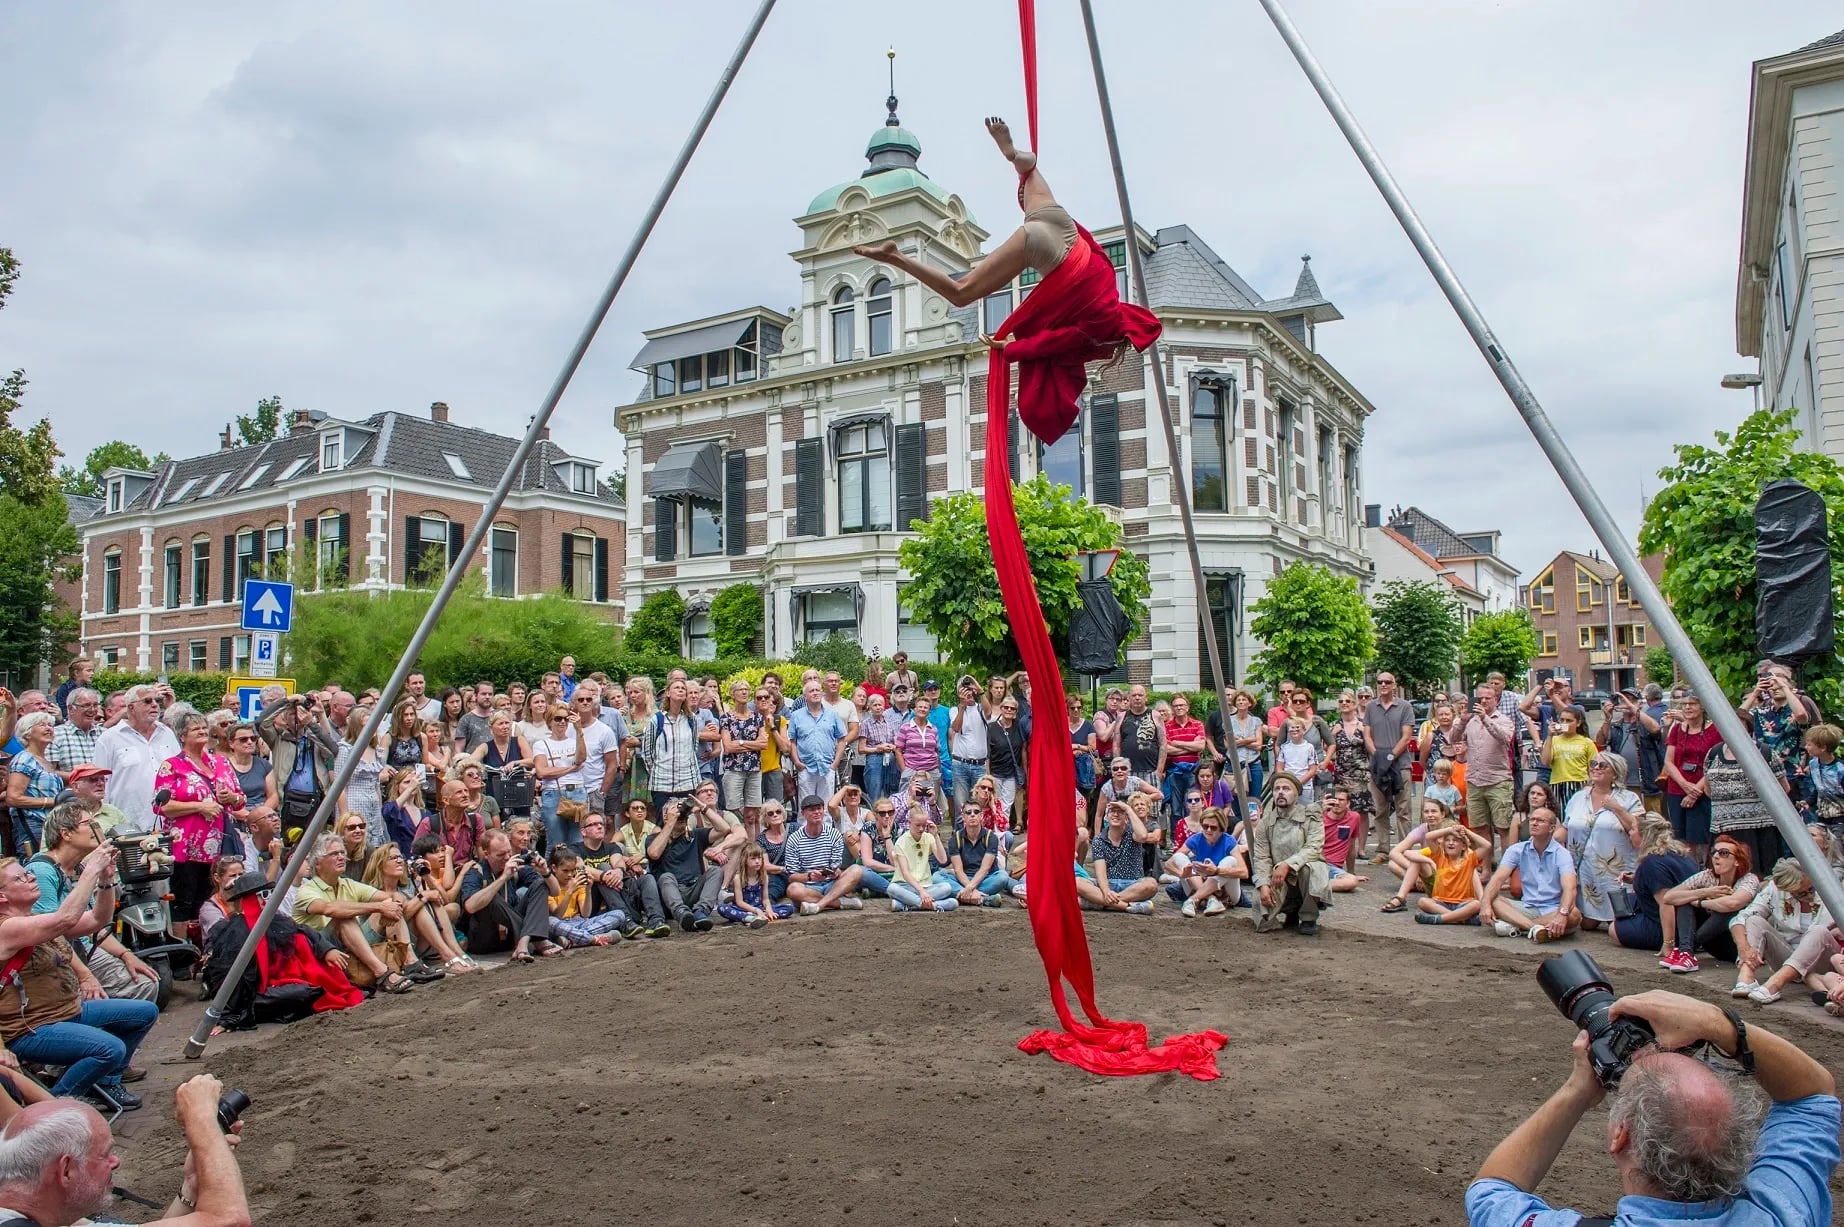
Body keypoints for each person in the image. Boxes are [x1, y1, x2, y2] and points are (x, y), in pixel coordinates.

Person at [855, 115, 1157, 444]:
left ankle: (1014, 157)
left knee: (1030, 170)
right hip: (1048, 250)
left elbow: (1095, 249)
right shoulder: (1103, 328)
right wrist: (1014, 348)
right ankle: (897, 258)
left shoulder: (1111, 288)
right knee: (961, 292)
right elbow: (1058, 340)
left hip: (1062, 224)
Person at [1469, 988, 1838, 1227]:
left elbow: (1491, 1192)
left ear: (1620, 1136)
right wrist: (1717, 1023)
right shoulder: (1784, 1208)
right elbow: (1811, 1096)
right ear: (1741, 1142)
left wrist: (1576, 1091)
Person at [0, 847, 162, 1110]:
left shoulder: (34, 919)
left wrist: (105, 881)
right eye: (20, 877)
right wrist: (91, 869)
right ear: (2, 896)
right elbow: (65, 918)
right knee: (109, 1048)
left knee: (144, 1013)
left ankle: (106, 1084)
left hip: (67, 1012)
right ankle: (57, 1105)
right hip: (30, 1029)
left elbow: (97, 919)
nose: (31, 877)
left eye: (28, 873)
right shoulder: (7, 928)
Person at [0, 1073, 252, 1227]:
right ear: (65, 1170)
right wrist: (201, 1119)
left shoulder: (50, 1214)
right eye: (104, 1154)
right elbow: (230, 1220)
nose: (115, 1162)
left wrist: (191, 1186)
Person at [26, 806, 159, 1003]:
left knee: (144, 984)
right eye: (88, 823)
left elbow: (96, 923)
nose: (97, 829)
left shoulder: (79, 869)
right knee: (90, 1000)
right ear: (66, 834)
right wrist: (85, 975)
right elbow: (51, 936)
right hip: (57, 955)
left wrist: (126, 954)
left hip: (84, 947)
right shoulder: (41, 871)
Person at [153, 711, 245, 934]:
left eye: (204, 727)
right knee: (183, 903)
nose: (203, 731)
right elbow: (161, 806)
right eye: (196, 729)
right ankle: (183, 950)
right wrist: (199, 806)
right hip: (185, 847)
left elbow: (241, 799)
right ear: (182, 736)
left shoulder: (221, 762)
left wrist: (231, 798)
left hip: (218, 846)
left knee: (212, 900)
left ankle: (212, 945)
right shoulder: (172, 765)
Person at [290, 835, 419, 993]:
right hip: (320, 950)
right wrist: (379, 907)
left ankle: (411, 963)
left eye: (342, 853)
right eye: (334, 854)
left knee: (389, 907)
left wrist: (392, 904)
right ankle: (382, 974)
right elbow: (330, 909)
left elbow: (391, 895)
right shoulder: (306, 890)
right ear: (317, 863)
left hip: (351, 944)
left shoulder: (347, 883)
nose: (341, 857)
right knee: (344, 918)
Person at [1729, 858, 1833, 1004]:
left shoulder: (1830, 887)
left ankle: (1775, 984)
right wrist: (1743, 948)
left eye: (1811, 889)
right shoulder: (1774, 889)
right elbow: (1742, 917)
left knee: (1819, 931)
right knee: (1754, 920)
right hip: (1787, 956)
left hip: (1824, 962)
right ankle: (1746, 977)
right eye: (1801, 893)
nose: (1809, 895)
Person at [361, 843, 474, 974]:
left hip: (409, 941)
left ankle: (456, 952)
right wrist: (423, 896)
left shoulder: (408, 884)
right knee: (412, 902)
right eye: (393, 858)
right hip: (379, 945)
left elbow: (443, 900)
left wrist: (427, 876)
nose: (399, 861)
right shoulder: (371, 890)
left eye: (400, 857)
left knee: (429, 901)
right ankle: (447, 955)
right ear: (380, 864)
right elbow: (397, 917)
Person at [1564, 751, 1644, 930]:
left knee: (1618, 924)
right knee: (1586, 924)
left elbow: (1638, 832)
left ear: (1615, 773)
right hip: (1585, 870)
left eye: (1602, 765)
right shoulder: (1578, 798)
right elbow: (1565, 828)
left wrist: (1617, 808)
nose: (1596, 768)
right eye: (1593, 764)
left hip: (1615, 872)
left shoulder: (1629, 798)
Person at [1657, 835, 1760, 974]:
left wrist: (1701, 903)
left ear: (1737, 861)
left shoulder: (1749, 879)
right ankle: (1686, 953)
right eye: (1714, 852)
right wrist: (1706, 892)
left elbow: (1734, 903)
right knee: (1684, 901)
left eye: (1724, 853)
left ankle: (1683, 950)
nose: (1716, 856)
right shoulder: (1707, 876)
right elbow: (1669, 897)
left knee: (1727, 910)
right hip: (1712, 943)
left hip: (1738, 945)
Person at [459, 828, 562, 962]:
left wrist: (545, 872)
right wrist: (503, 878)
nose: (507, 858)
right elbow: (470, 906)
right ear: (486, 854)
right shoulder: (476, 872)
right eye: (501, 854)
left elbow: (555, 892)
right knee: (489, 896)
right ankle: (537, 940)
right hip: (484, 939)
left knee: (541, 884)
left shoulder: (516, 866)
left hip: (511, 936)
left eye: (509, 852)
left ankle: (524, 941)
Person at [1482, 808, 1580, 943]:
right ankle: (1534, 928)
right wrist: (1485, 904)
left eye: (1540, 820)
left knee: (1574, 914)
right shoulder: (1516, 850)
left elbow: (1570, 888)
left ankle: (1516, 926)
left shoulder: (1562, 854)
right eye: (1532, 819)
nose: (1534, 823)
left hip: (1553, 909)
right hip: (1527, 906)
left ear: (1551, 828)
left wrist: (1562, 913)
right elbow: (1497, 879)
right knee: (1492, 899)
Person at [1248, 773, 1330, 935]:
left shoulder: (1311, 816)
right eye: (1276, 789)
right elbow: (1261, 857)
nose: (1280, 792)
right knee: (1263, 919)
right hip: (1278, 877)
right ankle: (1290, 911)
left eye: (1286, 789)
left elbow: (1313, 848)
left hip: (1301, 872)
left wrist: (1287, 865)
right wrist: (1263, 884)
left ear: (1296, 794)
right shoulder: (1266, 822)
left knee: (1312, 869)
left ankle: (1308, 916)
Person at [646, 798, 743, 932]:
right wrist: (670, 822)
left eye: (682, 813)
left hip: (693, 889)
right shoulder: (654, 838)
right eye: (676, 811)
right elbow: (654, 853)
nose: (680, 815)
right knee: (666, 877)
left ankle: (701, 911)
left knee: (715, 871)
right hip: (670, 895)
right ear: (665, 816)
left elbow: (724, 829)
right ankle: (681, 913)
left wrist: (704, 808)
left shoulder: (695, 835)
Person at [1609, 814, 1701, 952]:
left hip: (1672, 927)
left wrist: (1668, 944)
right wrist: (1636, 878)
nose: (1630, 832)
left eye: (1633, 829)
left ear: (1644, 835)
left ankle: (1666, 939)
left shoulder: (1652, 862)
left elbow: (1666, 904)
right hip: (1695, 921)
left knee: (1613, 929)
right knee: (1627, 901)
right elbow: (1670, 877)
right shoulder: (1680, 853)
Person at [782, 795, 866, 915]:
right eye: (812, 809)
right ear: (803, 813)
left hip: (831, 884)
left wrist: (835, 873)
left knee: (857, 870)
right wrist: (809, 876)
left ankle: (818, 905)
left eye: (819, 808)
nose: (816, 812)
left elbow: (836, 867)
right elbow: (792, 876)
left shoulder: (834, 834)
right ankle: (839, 903)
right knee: (793, 889)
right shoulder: (794, 839)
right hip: (808, 887)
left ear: (823, 811)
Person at [1362, 672, 1415, 854]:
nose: (1383, 684)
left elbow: (1406, 737)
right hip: (1378, 767)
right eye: (1380, 682)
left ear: (1394, 685)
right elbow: (1367, 735)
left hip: (1401, 765)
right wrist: (1378, 757)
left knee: (1403, 810)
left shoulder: (1405, 706)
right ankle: (1383, 850)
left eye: (1387, 682)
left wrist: (1390, 756)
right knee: (1380, 810)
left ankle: (1404, 851)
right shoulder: (1371, 707)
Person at [1597, 686, 1666, 814]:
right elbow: (1601, 741)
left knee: (1652, 821)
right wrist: (1607, 719)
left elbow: (1655, 729)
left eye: (1631, 699)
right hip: (1622, 784)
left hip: (1647, 785)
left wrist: (1633, 709)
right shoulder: (1616, 726)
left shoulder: (1645, 724)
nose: (1626, 703)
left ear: (1639, 703)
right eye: (1623, 700)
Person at [532, 705, 588, 853]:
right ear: (550, 721)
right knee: (556, 843)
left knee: (577, 841)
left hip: (576, 791)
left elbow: (581, 759)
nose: (562, 722)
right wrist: (571, 768)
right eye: (558, 719)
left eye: (565, 719)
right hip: (553, 793)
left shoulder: (574, 740)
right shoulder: (541, 744)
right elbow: (542, 772)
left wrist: (579, 730)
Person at [1086, 801, 1160, 914]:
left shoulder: (1132, 833)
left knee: (1151, 884)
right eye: (1112, 811)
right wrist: (1106, 891)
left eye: (1120, 812)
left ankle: (1102, 903)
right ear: (1107, 817)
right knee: (1077, 882)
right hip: (1108, 884)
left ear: (1126, 818)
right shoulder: (1099, 840)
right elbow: (1100, 872)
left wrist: (1128, 809)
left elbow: (1143, 836)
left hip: (1133, 884)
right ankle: (1126, 906)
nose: (1115, 814)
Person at [1168, 806, 1244, 916]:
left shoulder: (1228, 841)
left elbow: (1244, 872)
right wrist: (1182, 874)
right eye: (1205, 826)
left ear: (1221, 828)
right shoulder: (1197, 838)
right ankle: (1211, 899)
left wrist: (1217, 871)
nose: (1208, 830)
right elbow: (1169, 863)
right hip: (1200, 882)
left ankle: (1193, 900)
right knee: (1179, 856)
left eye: (1213, 827)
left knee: (1230, 860)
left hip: (1226, 890)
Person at [5, 714, 63, 855]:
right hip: (33, 824)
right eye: (42, 725)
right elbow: (13, 798)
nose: (48, 728)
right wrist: (53, 801)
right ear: (27, 733)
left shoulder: (44, 760)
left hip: (50, 825)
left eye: (50, 725)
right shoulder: (25, 759)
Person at [612, 799, 670, 938]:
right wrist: (630, 863)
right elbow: (611, 850)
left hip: (651, 868)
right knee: (619, 847)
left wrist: (643, 855)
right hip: (630, 872)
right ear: (627, 813)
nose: (639, 811)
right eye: (635, 808)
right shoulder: (622, 831)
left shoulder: (654, 829)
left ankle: (656, 921)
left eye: (642, 808)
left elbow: (664, 846)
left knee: (649, 875)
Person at [45, 690, 102, 776]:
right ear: (70, 708)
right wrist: (82, 777)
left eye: (95, 705)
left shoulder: (105, 734)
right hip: (70, 785)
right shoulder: (55, 735)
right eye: (86, 705)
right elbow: (49, 771)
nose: (92, 709)